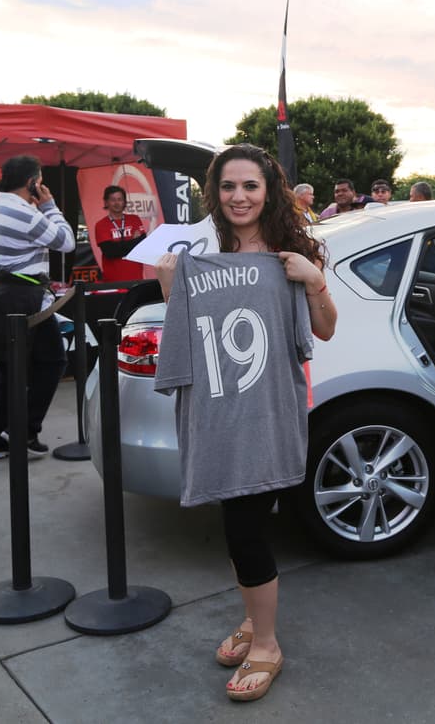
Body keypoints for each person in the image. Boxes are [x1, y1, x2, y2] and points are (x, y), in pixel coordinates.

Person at [154, 143, 336, 703]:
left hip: (269, 414)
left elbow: (324, 330)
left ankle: (269, 645)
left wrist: (312, 280)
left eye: (250, 187)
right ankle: (254, 621)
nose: (239, 197)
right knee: (238, 523)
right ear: (215, 192)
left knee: (246, 528)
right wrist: (169, 286)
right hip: (220, 415)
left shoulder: (290, 254)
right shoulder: (199, 253)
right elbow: (186, 333)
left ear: (268, 192)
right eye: (229, 187)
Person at [0, 156, 75, 459]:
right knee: (52, 361)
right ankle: (25, 430)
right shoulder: (24, 212)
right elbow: (67, 241)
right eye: (40, 180)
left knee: (11, 368)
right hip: (24, 297)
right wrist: (50, 207)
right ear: (32, 182)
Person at [93, 185, 147, 282]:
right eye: (113, 200)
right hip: (113, 281)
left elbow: (143, 245)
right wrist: (134, 241)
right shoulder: (101, 225)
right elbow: (110, 252)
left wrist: (119, 246)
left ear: (124, 202)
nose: (117, 203)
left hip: (136, 278)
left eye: (120, 199)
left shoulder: (135, 219)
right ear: (106, 202)